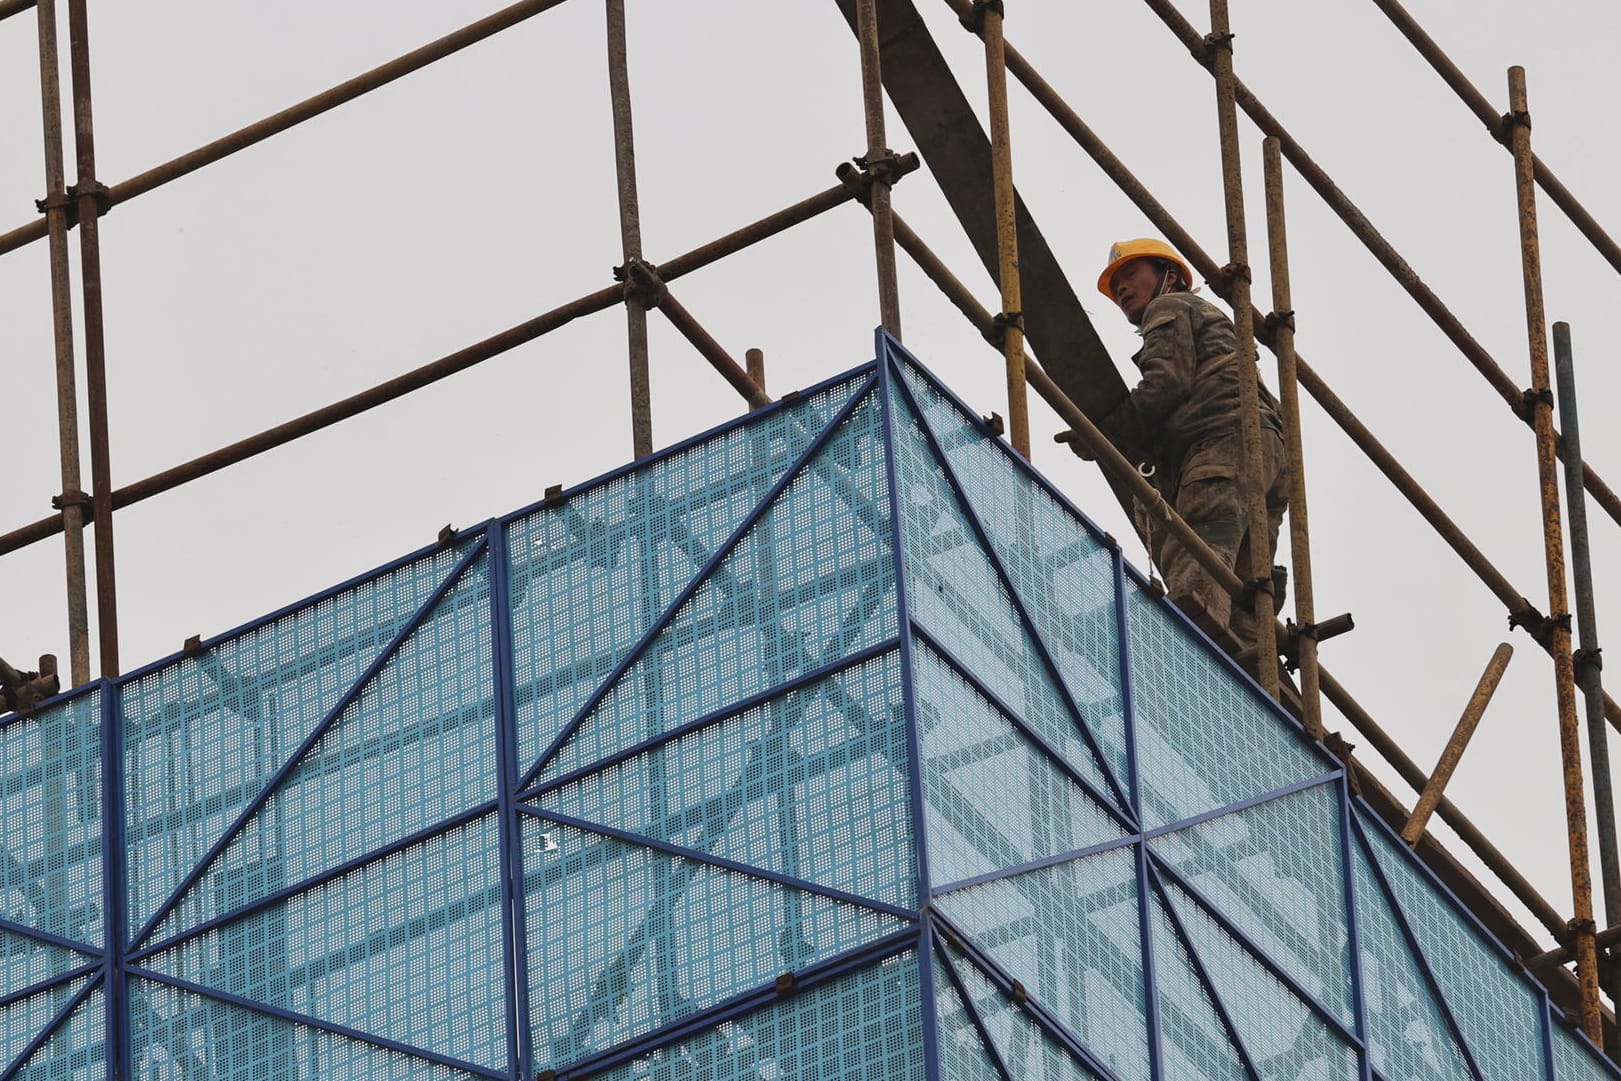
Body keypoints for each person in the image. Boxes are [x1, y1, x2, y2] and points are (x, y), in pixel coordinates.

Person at [1083, 238, 1289, 644]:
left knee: (1198, 549)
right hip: (1266, 449)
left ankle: (1195, 649)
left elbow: (1166, 383)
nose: (1122, 288)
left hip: (1222, 442)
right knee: (1247, 583)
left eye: (1130, 275)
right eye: (1116, 284)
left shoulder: (1171, 306)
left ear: (1170, 276)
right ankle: (1253, 667)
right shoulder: (1210, 318)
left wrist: (1105, 435)